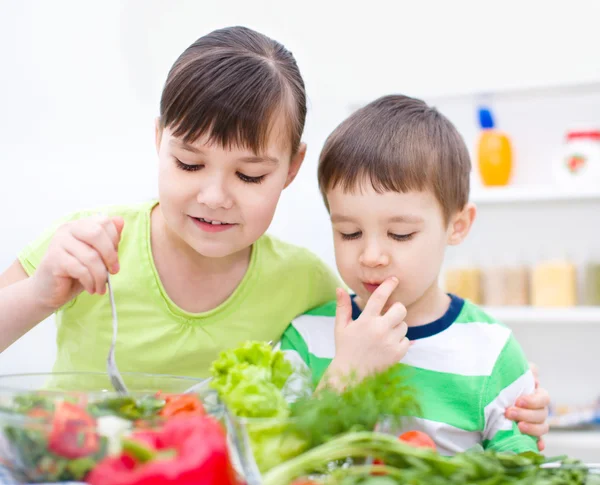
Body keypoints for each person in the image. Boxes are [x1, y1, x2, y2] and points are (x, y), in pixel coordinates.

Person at [0, 27, 548, 443]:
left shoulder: (309, 285)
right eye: (189, 164)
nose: (214, 196)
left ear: (291, 169)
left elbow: (387, 364)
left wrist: (509, 401)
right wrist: (37, 292)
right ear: (159, 141)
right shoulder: (88, 242)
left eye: (249, 175)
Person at [280, 94, 549, 453]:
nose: (371, 256)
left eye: (400, 234)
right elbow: (278, 460)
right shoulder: (305, 338)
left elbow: (519, 471)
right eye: (349, 233)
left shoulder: (491, 352)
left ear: (457, 226)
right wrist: (345, 375)